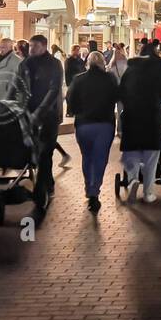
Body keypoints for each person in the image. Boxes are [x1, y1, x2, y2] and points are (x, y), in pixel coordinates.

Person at [119, 39, 161, 205]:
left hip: (132, 116)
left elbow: (122, 91)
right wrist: (158, 104)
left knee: (132, 151)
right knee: (151, 157)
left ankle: (133, 179)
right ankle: (148, 192)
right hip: (152, 116)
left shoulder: (131, 69)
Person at [66, 50, 120, 211]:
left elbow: (70, 100)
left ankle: (88, 186)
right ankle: (94, 189)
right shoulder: (110, 79)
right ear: (103, 63)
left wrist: (78, 111)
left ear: (87, 63)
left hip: (84, 124)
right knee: (100, 158)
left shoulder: (78, 79)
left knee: (87, 157)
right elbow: (117, 97)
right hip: (104, 123)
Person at [22, 34, 65, 222]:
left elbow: (54, 89)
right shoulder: (26, 64)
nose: (31, 49)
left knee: (45, 152)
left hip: (48, 115)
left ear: (44, 46)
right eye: (30, 46)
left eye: (34, 46)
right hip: (28, 114)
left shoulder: (54, 64)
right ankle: (48, 182)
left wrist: (39, 112)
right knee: (37, 153)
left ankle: (41, 193)